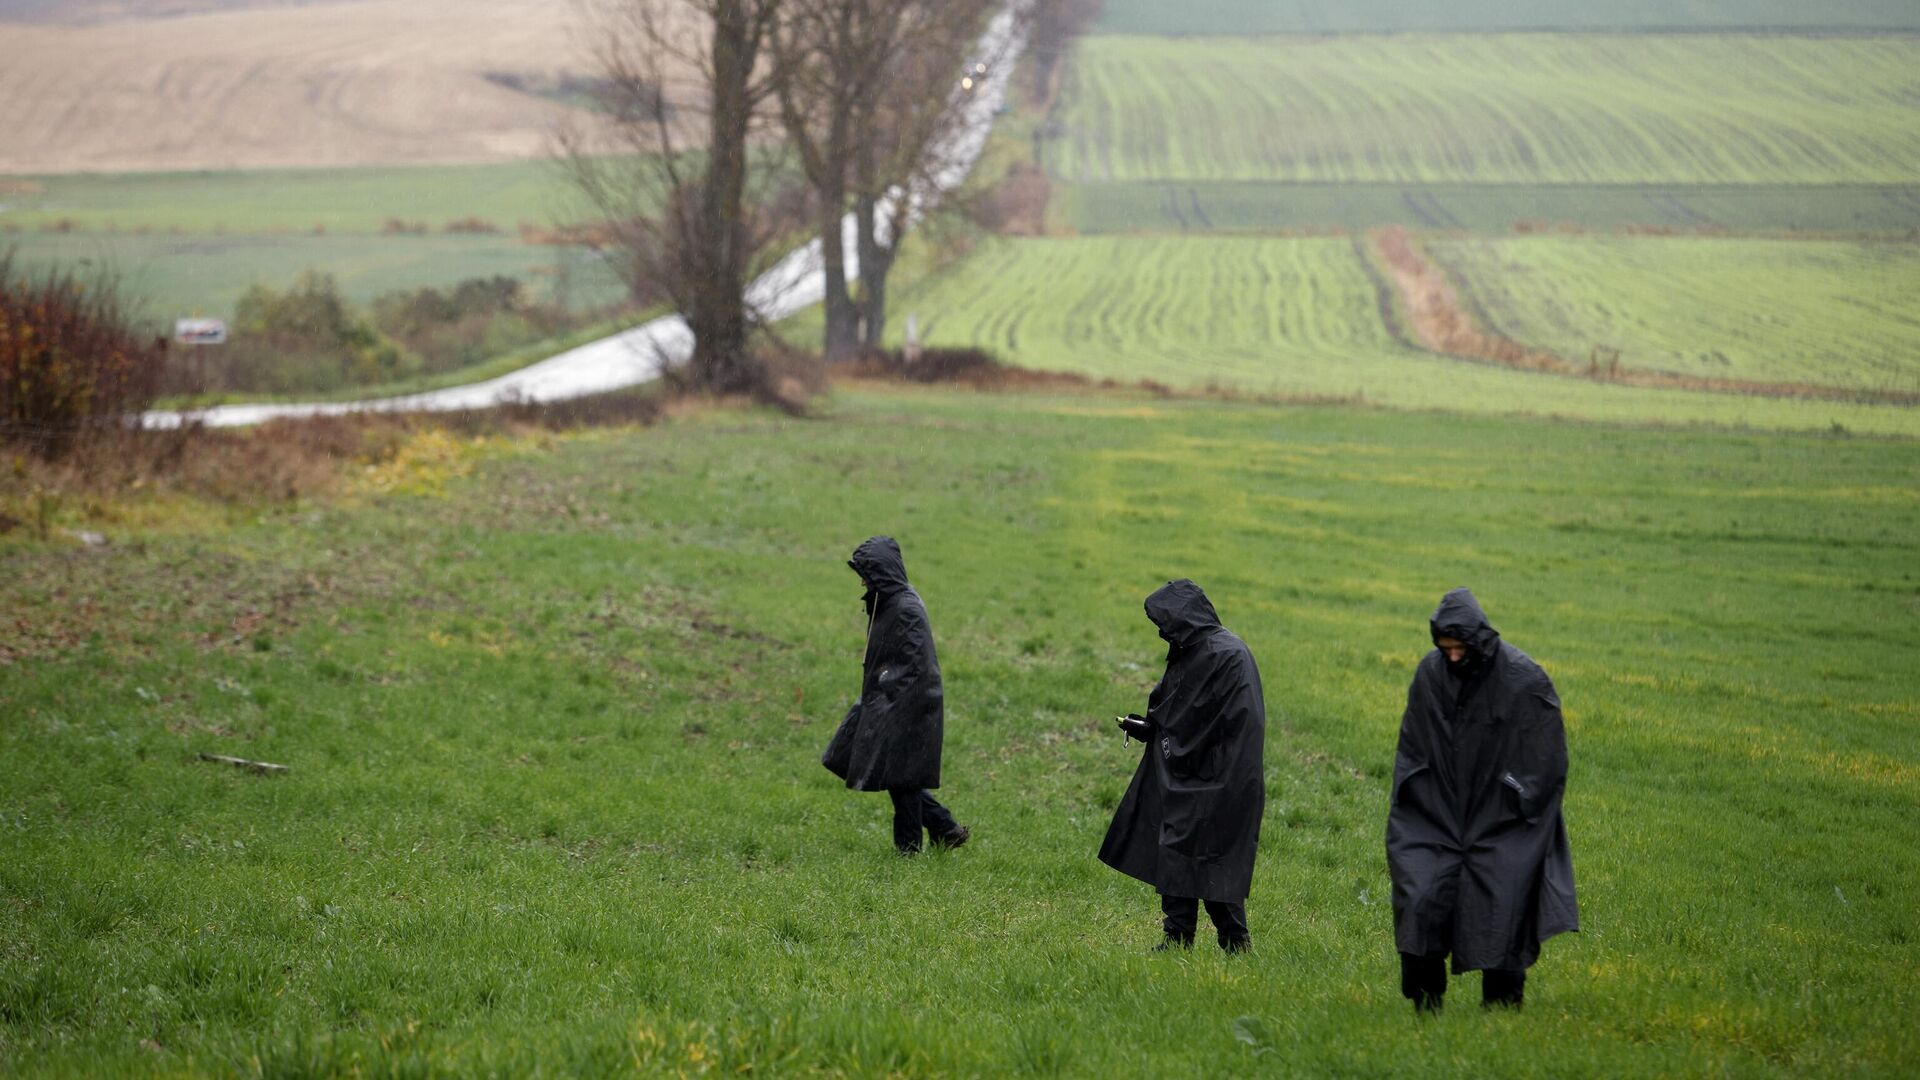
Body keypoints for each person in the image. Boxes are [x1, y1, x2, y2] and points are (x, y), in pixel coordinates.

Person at [1387, 588, 1578, 1012]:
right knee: (1421, 899)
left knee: (1503, 906)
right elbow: (1412, 749)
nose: (1453, 656)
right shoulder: (1429, 674)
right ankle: (1425, 1004)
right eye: (1445, 647)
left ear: (1480, 641)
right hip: (1435, 818)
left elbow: (1546, 760)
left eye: (1460, 648)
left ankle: (1502, 1009)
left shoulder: (1525, 679)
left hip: (1503, 821)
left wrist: (1513, 801)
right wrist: (1419, 804)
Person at [1099, 579, 1265, 953]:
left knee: (1208, 859)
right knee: (1176, 853)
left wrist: (1166, 735)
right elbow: (1179, 711)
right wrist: (1149, 728)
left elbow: (1204, 719)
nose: (1161, 631)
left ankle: (1235, 942)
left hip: (1220, 777)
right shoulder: (1196, 649)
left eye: (1165, 623)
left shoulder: (1221, 654)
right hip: (1195, 772)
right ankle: (1177, 939)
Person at [821, 536, 968, 854]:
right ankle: (944, 827)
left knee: (901, 776)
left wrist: (888, 700)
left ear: (881, 573)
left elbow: (916, 665)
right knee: (879, 767)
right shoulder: (889, 602)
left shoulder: (906, 608)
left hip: (904, 704)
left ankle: (910, 849)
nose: (861, 580)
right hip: (887, 699)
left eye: (866, 573)